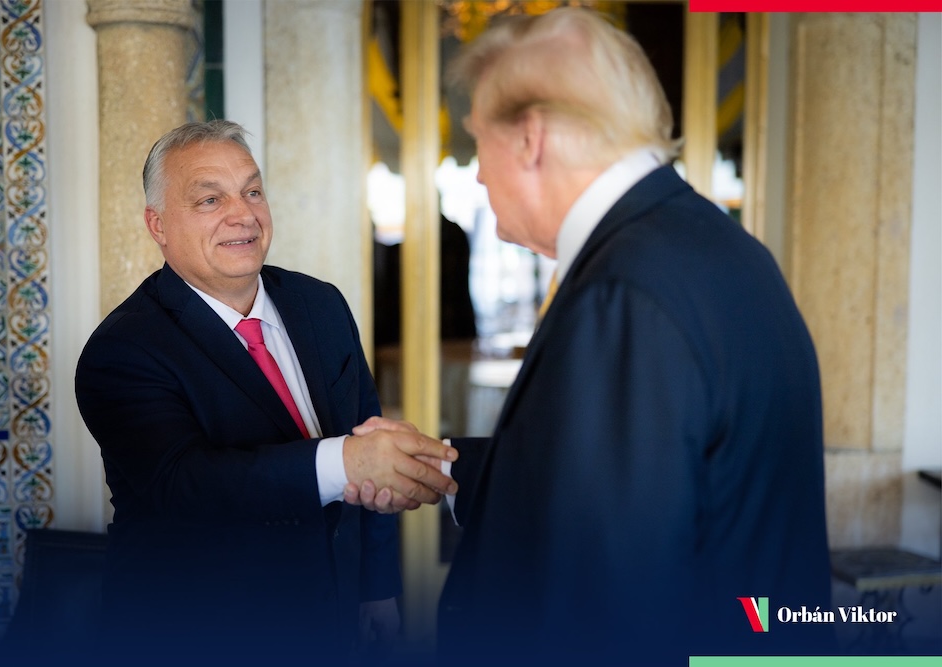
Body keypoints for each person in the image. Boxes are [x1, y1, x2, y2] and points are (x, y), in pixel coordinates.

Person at [346, 8, 834, 663]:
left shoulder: (623, 293)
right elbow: (642, 482)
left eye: (479, 138)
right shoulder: (717, 247)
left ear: (530, 138)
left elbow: (605, 600)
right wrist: (447, 465)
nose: (479, 174)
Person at [74, 120, 456, 664]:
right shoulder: (124, 349)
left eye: (252, 191)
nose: (243, 214)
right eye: (210, 199)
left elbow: (366, 433)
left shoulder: (321, 304)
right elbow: (187, 484)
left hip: (335, 616)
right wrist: (346, 462)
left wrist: (376, 588)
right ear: (157, 225)